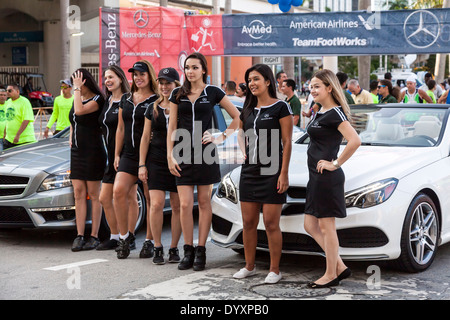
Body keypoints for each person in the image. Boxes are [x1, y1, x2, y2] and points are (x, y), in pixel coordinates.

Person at [167, 52, 240, 271]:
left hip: (206, 154)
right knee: (185, 204)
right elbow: (171, 126)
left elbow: (238, 117)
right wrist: (170, 155)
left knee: (205, 203)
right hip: (182, 153)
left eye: (195, 67)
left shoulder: (213, 92)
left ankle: (201, 250)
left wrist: (220, 137)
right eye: (187, 67)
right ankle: (187, 250)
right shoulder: (176, 94)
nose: (190, 71)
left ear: (203, 70)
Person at [233, 64, 293, 284]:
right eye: (249, 80)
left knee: (270, 223)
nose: (252, 84)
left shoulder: (280, 107)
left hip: (272, 171)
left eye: (256, 79)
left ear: (268, 81)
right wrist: (243, 152)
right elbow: (240, 133)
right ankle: (249, 266)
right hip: (249, 172)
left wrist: (283, 173)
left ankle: (275, 270)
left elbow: (287, 142)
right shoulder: (248, 108)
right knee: (248, 222)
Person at [303, 69, 361, 288]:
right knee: (310, 225)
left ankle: (330, 274)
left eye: (317, 86)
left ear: (329, 88)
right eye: (311, 86)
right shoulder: (321, 111)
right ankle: (339, 265)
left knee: (327, 227)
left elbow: (355, 140)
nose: (312, 89)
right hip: (314, 178)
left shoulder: (335, 113)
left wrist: (334, 163)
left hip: (327, 178)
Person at [114, 60, 158, 259]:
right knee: (118, 191)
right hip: (129, 155)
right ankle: (125, 238)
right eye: (135, 74)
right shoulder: (126, 98)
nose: (138, 78)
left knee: (149, 199)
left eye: (142, 74)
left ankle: (149, 241)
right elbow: (121, 128)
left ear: (149, 75)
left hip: (151, 156)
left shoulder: (157, 99)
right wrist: (116, 154)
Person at [139, 67, 182, 265]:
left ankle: (174, 248)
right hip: (155, 159)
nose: (165, 87)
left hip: (178, 159)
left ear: (176, 85)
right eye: (162, 83)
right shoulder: (152, 107)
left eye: (169, 83)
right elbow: (145, 137)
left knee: (177, 205)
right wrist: (142, 165)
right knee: (155, 204)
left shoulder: (182, 105)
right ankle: (157, 246)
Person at [96, 65, 140, 251]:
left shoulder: (128, 100)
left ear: (121, 79)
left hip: (127, 154)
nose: (107, 80)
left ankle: (129, 236)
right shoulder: (107, 101)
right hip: (110, 156)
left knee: (130, 196)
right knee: (105, 197)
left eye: (111, 77)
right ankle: (115, 235)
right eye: (105, 77)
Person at [69, 68, 106, 251]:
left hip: (93, 152)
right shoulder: (78, 97)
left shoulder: (97, 100)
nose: (75, 86)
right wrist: (71, 135)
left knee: (94, 194)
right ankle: (79, 235)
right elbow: (72, 119)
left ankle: (94, 235)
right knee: (78, 193)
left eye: (77, 82)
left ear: (85, 82)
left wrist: (76, 89)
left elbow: (79, 110)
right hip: (76, 152)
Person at [3, 84, 36, 150]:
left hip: (23, 140)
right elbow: (8, 119)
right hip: (9, 140)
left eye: (10, 91)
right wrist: (5, 134)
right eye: (6, 91)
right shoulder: (8, 102)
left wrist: (18, 135)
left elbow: (26, 120)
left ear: (17, 91)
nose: (7, 93)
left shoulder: (24, 102)